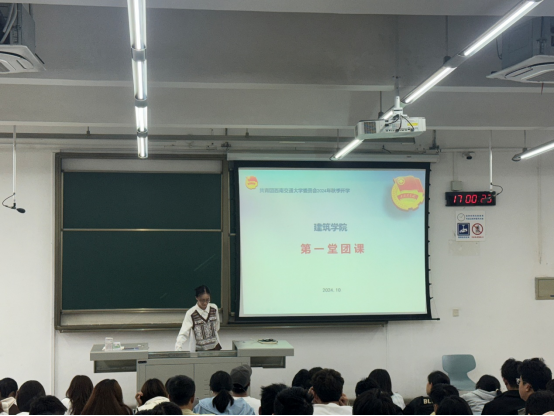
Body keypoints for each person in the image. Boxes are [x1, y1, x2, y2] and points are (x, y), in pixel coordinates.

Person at [175, 285, 222, 352]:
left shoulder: (214, 308)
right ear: (197, 298)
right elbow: (183, 333)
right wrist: (178, 348)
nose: (205, 303)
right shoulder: (191, 313)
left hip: (215, 348)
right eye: (202, 300)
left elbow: (217, 326)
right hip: (199, 351)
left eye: (207, 300)